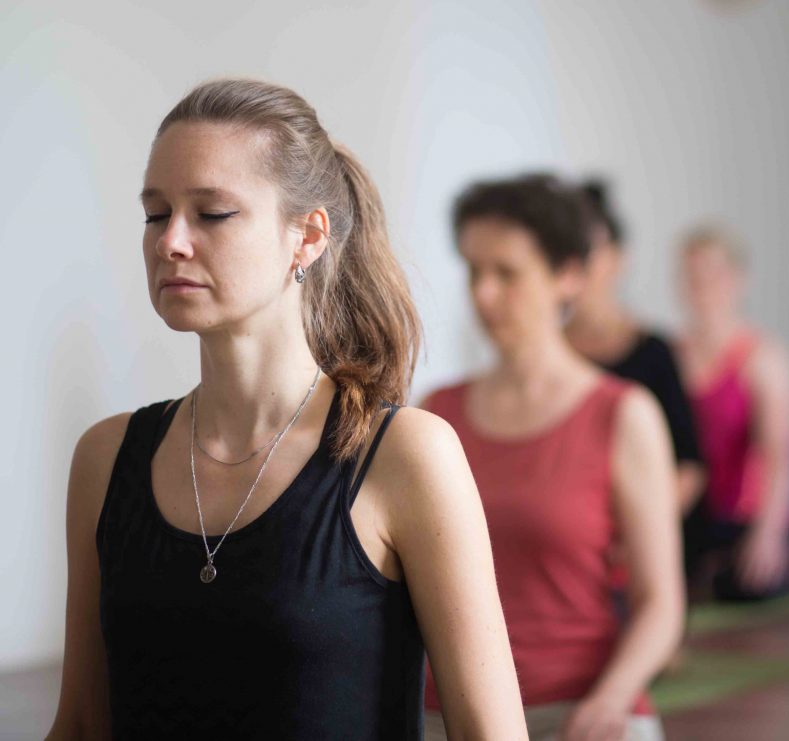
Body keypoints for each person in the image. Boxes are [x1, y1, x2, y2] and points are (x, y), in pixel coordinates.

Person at [46, 78, 527, 740]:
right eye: (156, 213)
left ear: (307, 237)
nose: (171, 242)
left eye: (211, 213)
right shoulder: (105, 457)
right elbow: (79, 725)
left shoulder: (406, 454)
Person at [421, 174, 683, 740]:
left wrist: (609, 702)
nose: (483, 295)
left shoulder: (624, 414)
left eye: (507, 274)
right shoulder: (436, 414)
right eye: (473, 271)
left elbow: (661, 603)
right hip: (451, 714)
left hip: (580, 709)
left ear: (567, 277)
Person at [675, 223, 789, 602]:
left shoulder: (764, 356)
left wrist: (769, 534)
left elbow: (779, 454)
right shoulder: (669, 354)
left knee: (745, 586)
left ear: (738, 279)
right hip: (691, 517)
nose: (702, 284)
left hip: (746, 518)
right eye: (692, 274)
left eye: (712, 272)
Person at [566, 179, 704, 516]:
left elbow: (688, 467)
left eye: (589, 255)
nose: (579, 269)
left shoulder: (655, 352)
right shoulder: (549, 354)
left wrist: (639, 533)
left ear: (618, 258)